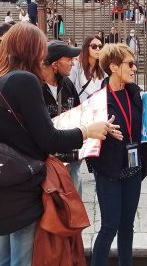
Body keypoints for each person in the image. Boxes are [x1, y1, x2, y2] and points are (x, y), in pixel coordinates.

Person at [0, 22, 117, 266]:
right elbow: (49, 139)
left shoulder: (4, 80)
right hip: (24, 185)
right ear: (31, 49)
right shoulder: (25, 81)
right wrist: (87, 131)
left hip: (5, 181)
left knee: (5, 256)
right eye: (41, 46)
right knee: (22, 258)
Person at [87, 43, 147, 266]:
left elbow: (140, 128)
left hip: (133, 168)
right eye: (130, 64)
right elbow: (86, 138)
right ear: (114, 67)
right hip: (108, 170)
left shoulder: (136, 93)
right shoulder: (97, 100)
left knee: (127, 226)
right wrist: (101, 132)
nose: (134, 68)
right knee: (110, 226)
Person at [41, 40, 83, 196]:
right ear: (55, 64)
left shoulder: (68, 85)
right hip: (46, 160)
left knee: (73, 203)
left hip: (70, 155)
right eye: (69, 59)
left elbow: (79, 113)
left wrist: (82, 149)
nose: (73, 63)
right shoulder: (35, 87)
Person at [69, 35, 105, 103]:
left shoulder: (103, 69)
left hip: (98, 109)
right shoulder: (76, 67)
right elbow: (68, 87)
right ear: (86, 48)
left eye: (100, 46)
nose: (98, 49)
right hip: (81, 108)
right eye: (94, 46)